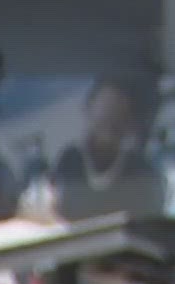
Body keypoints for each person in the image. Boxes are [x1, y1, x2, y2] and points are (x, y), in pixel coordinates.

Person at [51, 76, 167, 222]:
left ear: (132, 124)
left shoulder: (143, 172)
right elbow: (55, 212)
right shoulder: (69, 159)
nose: (106, 132)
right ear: (88, 107)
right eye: (102, 121)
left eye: (115, 124)